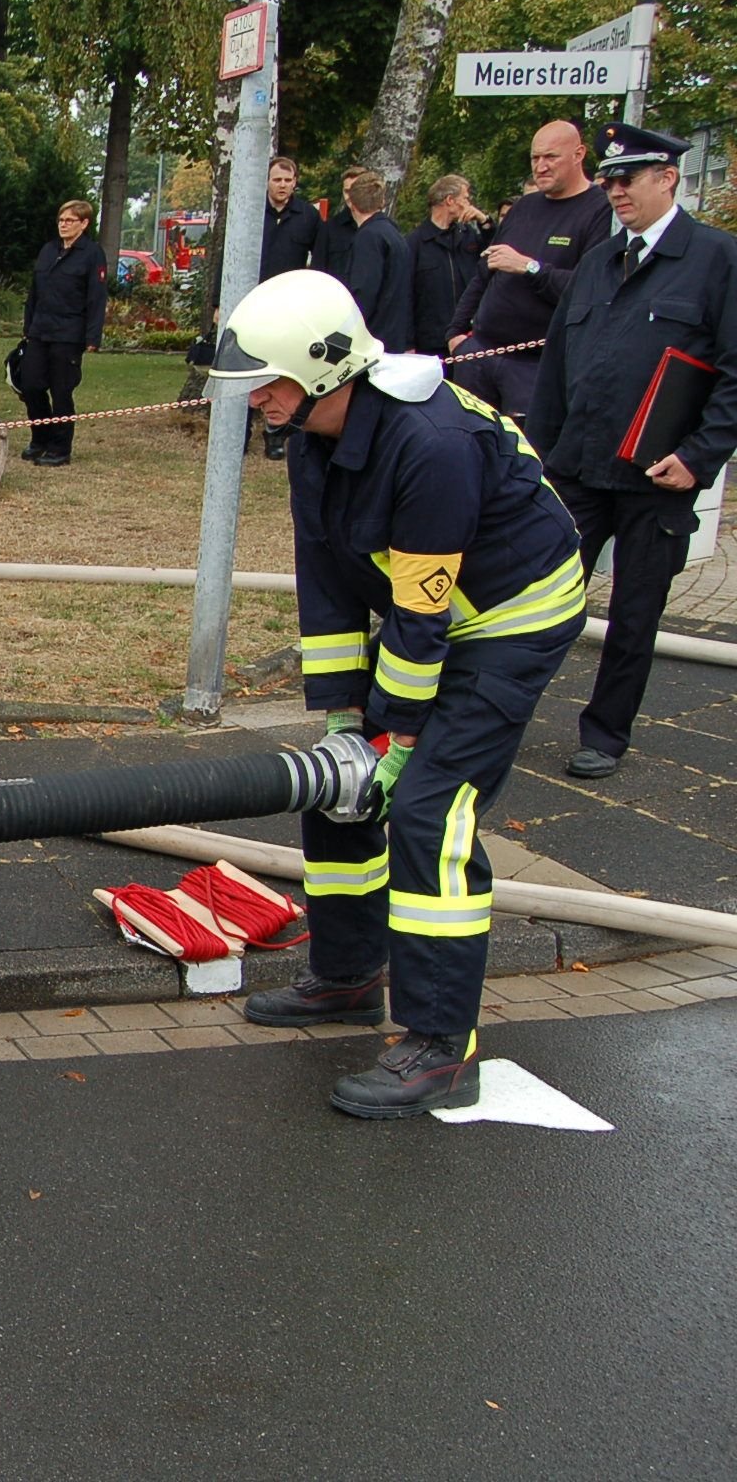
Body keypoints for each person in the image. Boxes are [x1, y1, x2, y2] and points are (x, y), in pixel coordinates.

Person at [211, 270, 584, 1117]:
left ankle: (439, 1045)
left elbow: (423, 615)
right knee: (337, 781)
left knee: (427, 810)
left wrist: (404, 740)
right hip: (434, 614)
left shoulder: (432, 444)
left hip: (510, 619)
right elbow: (330, 577)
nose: (254, 397)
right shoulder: (313, 435)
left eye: (266, 381)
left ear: (318, 371)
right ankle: (346, 974)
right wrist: (347, 719)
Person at [528, 124, 737, 781]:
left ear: (667, 177)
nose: (615, 191)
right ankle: (503, 713)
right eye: (611, 179)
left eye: (629, 179)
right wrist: (539, 459)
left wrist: (701, 456)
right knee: (539, 600)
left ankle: (605, 734)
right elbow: (559, 367)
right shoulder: (598, 262)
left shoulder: (715, 258)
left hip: (658, 478)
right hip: (581, 469)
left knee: (634, 616)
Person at [447, 120, 611, 420]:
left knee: (526, 458)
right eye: (535, 158)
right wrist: (457, 333)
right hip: (479, 353)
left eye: (551, 157)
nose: (541, 166)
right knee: (467, 449)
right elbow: (486, 270)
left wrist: (530, 268)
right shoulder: (524, 207)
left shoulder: (600, 210)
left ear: (579, 154)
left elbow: (591, 288)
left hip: (534, 367)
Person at [16, 199, 107, 467]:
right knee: (30, 385)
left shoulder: (92, 254)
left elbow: (97, 297)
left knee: (61, 391)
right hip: (40, 330)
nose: (63, 225)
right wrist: (29, 326)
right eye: (61, 220)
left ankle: (60, 448)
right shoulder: (48, 250)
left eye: (70, 221)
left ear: (84, 224)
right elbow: (35, 292)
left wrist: (92, 336)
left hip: (69, 333)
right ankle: (40, 438)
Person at [256, 157, 323, 460]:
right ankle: (238, 432)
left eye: (287, 180)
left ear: (295, 182)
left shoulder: (308, 217)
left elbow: (320, 261)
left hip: (291, 307)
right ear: (267, 182)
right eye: (276, 180)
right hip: (255, 304)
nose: (282, 185)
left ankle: (277, 434)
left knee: (284, 372)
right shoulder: (253, 212)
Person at [408, 175, 484, 371]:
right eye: (465, 198)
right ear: (450, 200)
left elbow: (494, 253)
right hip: (431, 341)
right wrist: (408, 342)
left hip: (467, 337)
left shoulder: (468, 236)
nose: (469, 204)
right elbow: (404, 296)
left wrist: (484, 221)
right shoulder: (415, 243)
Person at [340, 171, 411, 352]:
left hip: (372, 339)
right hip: (394, 336)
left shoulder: (368, 237)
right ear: (382, 202)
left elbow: (363, 290)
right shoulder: (394, 234)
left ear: (352, 204)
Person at [313, 167, 368, 283]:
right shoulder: (329, 228)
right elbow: (318, 271)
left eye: (355, 190)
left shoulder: (380, 229)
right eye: (346, 191)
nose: (349, 196)